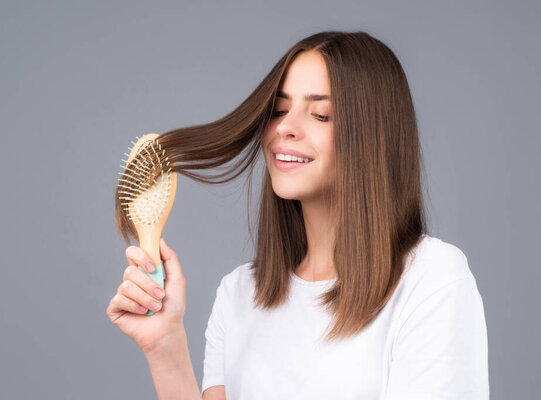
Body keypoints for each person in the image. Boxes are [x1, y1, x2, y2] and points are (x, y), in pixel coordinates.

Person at [107, 31, 489, 399]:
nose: (284, 128)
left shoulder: (432, 281)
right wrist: (165, 345)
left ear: (373, 137)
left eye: (321, 115)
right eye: (278, 110)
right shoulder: (239, 294)